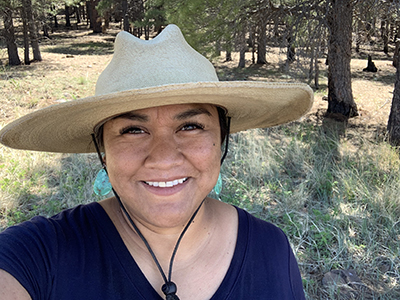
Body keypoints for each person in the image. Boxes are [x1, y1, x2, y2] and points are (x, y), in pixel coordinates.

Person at [0, 24, 313, 300]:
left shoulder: (271, 250)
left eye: (190, 126)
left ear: (222, 139)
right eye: (133, 130)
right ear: (103, 151)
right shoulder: (36, 254)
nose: (163, 158)